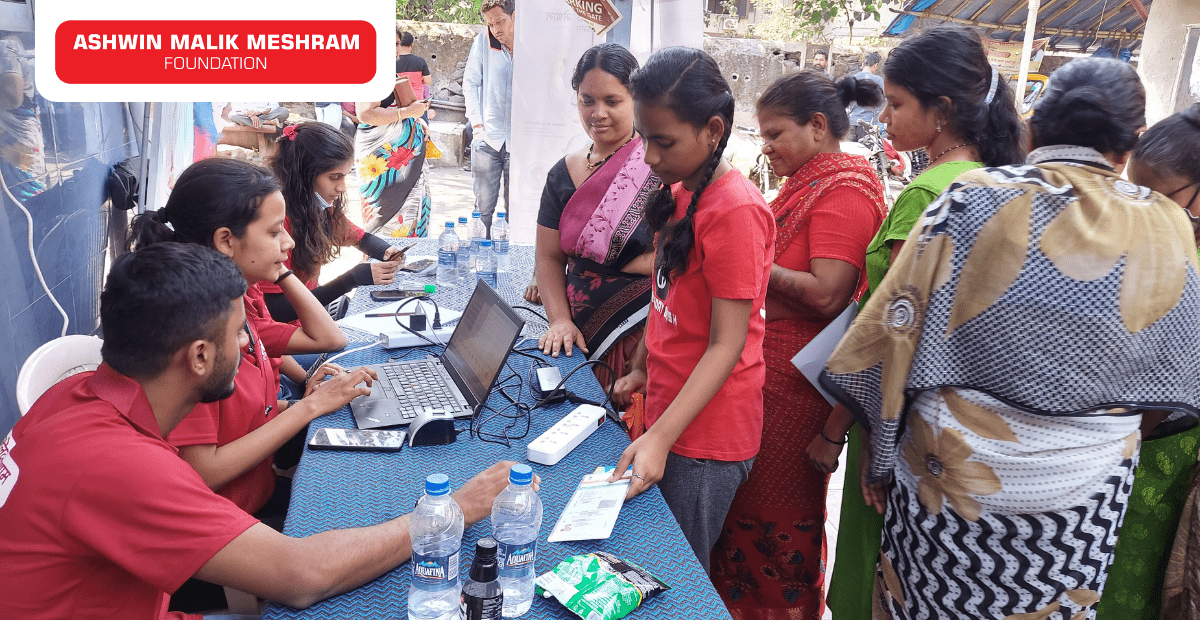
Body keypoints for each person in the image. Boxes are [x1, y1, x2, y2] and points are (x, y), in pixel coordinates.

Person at [821, 56, 1200, 620]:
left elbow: (895, 329)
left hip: (949, 483)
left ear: (1035, 130)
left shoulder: (971, 195)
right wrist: (1093, 442)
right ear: (1130, 144)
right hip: (1078, 498)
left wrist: (880, 455)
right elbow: (1173, 368)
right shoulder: (1164, 222)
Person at [0, 241, 524, 620]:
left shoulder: (70, 397)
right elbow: (302, 577)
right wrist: (452, 511)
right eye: (239, 336)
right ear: (199, 356)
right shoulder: (118, 465)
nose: (249, 348)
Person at [822, 26, 1025, 620]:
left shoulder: (929, 194)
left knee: (876, 567)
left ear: (942, 111)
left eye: (896, 103)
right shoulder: (1001, 181)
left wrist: (841, 431)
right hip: (959, 426)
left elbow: (893, 333)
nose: (883, 117)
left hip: (898, 420)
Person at [127, 158, 356, 611]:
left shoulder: (239, 301)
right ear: (225, 241)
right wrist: (307, 408)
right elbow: (203, 471)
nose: (288, 241)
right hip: (226, 536)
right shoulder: (197, 342)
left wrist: (309, 397)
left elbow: (254, 401)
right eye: (274, 232)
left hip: (256, 499)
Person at [709, 70, 886, 620]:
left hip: (795, 391)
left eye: (775, 133)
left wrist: (749, 259)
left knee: (775, 520)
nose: (766, 147)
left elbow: (829, 292)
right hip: (766, 376)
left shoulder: (844, 191)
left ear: (817, 126)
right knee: (744, 513)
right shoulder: (808, 183)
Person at [608, 47, 774, 575]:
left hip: (706, 438)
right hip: (671, 412)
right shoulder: (680, 191)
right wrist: (641, 367)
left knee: (675, 574)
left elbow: (727, 344)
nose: (649, 156)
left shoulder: (735, 210)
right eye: (643, 137)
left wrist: (660, 437)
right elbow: (667, 298)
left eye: (664, 142)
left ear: (712, 131)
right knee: (652, 559)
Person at [1098, 103, 1200, 620]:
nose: (1140, 212)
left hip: (1163, 459)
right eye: (1132, 194)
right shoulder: (1146, 245)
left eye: (1158, 200)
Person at [521, 43, 656, 391]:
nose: (598, 113)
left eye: (612, 101)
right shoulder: (562, 174)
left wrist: (630, 264)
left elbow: (682, 257)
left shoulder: (659, 166)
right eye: (587, 100)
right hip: (576, 331)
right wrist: (559, 321)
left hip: (643, 338)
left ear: (636, 99)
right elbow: (549, 257)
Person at [259, 121, 405, 324]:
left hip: (307, 318)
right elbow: (277, 311)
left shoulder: (316, 208)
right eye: (335, 177)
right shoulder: (276, 226)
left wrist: (387, 252)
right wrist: (352, 279)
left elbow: (360, 238)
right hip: (286, 329)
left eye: (344, 177)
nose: (342, 187)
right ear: (304, 175)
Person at [355, 75, 433, 237]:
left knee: (409, 219)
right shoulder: (375, 71)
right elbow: (365, 114)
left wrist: (415, 119)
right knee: (387, 222)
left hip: (403, 162)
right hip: (385, 164)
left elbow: (390, 107)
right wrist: (408, 112)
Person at [464, 0, 515, 236]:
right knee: (482, 211)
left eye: (500, 21)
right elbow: (470, 83)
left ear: (514, 16)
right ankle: (479, 254)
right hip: (487, 139)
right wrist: (477, 124)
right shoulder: (483, 41)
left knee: (516, 211)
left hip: (519, 142)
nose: (495, 29)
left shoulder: (531, 44)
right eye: (490, 23)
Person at [396, 29, 433, 124]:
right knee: (422, 130)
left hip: (398, 107)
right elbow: (428, 82)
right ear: (411, 45)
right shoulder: (420, 61)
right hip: (417, 105)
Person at [848, 51, 885, 141]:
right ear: (875, 66)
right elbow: (883, 102)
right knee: (866, 149)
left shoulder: (852, 79)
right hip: (868, 124)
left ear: (862, 65)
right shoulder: (878, 80)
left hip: (851, 123)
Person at [222, 102, 289, 129]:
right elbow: (236, 106)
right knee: (232, 115)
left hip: (265, 114)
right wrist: (251, 115)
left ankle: (258, 122)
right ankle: (267, 122)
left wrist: (261, 111)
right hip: (246, 115)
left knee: (284, 112)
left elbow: (274, 105)